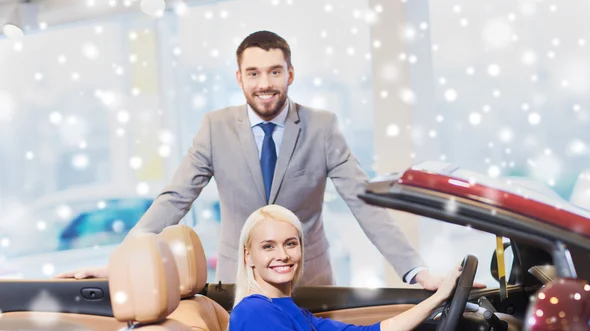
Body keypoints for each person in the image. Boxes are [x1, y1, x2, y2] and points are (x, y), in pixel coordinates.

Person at [56, 30, 448, 289]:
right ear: (239, 78)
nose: (265, 84)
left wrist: (416, 272)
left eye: (275, 71)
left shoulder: (322, 127)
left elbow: (365, 204)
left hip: (308, 282)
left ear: (291, 74)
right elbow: (174, 199)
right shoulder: (214, 127)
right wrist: (123, 260)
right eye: (254, 73)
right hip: (239, 283)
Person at [228, 205, 461, 331]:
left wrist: (438, 298)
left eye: (290, 244)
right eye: (268, 246)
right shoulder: (254, 312)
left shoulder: (291, 311)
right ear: (248, 256)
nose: (283, 255)